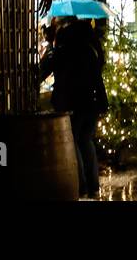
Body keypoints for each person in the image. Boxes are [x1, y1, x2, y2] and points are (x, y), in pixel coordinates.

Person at [38, 18, 107, 198]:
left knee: (74, 141)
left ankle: (80, 185)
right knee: (86, 140)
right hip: (90, 104)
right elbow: (98, 81)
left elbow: (42, 71)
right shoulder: (90, 52)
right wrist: (103, 102)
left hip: (70, 104)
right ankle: (93, 185)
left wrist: (50, 51)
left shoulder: (63, 51)